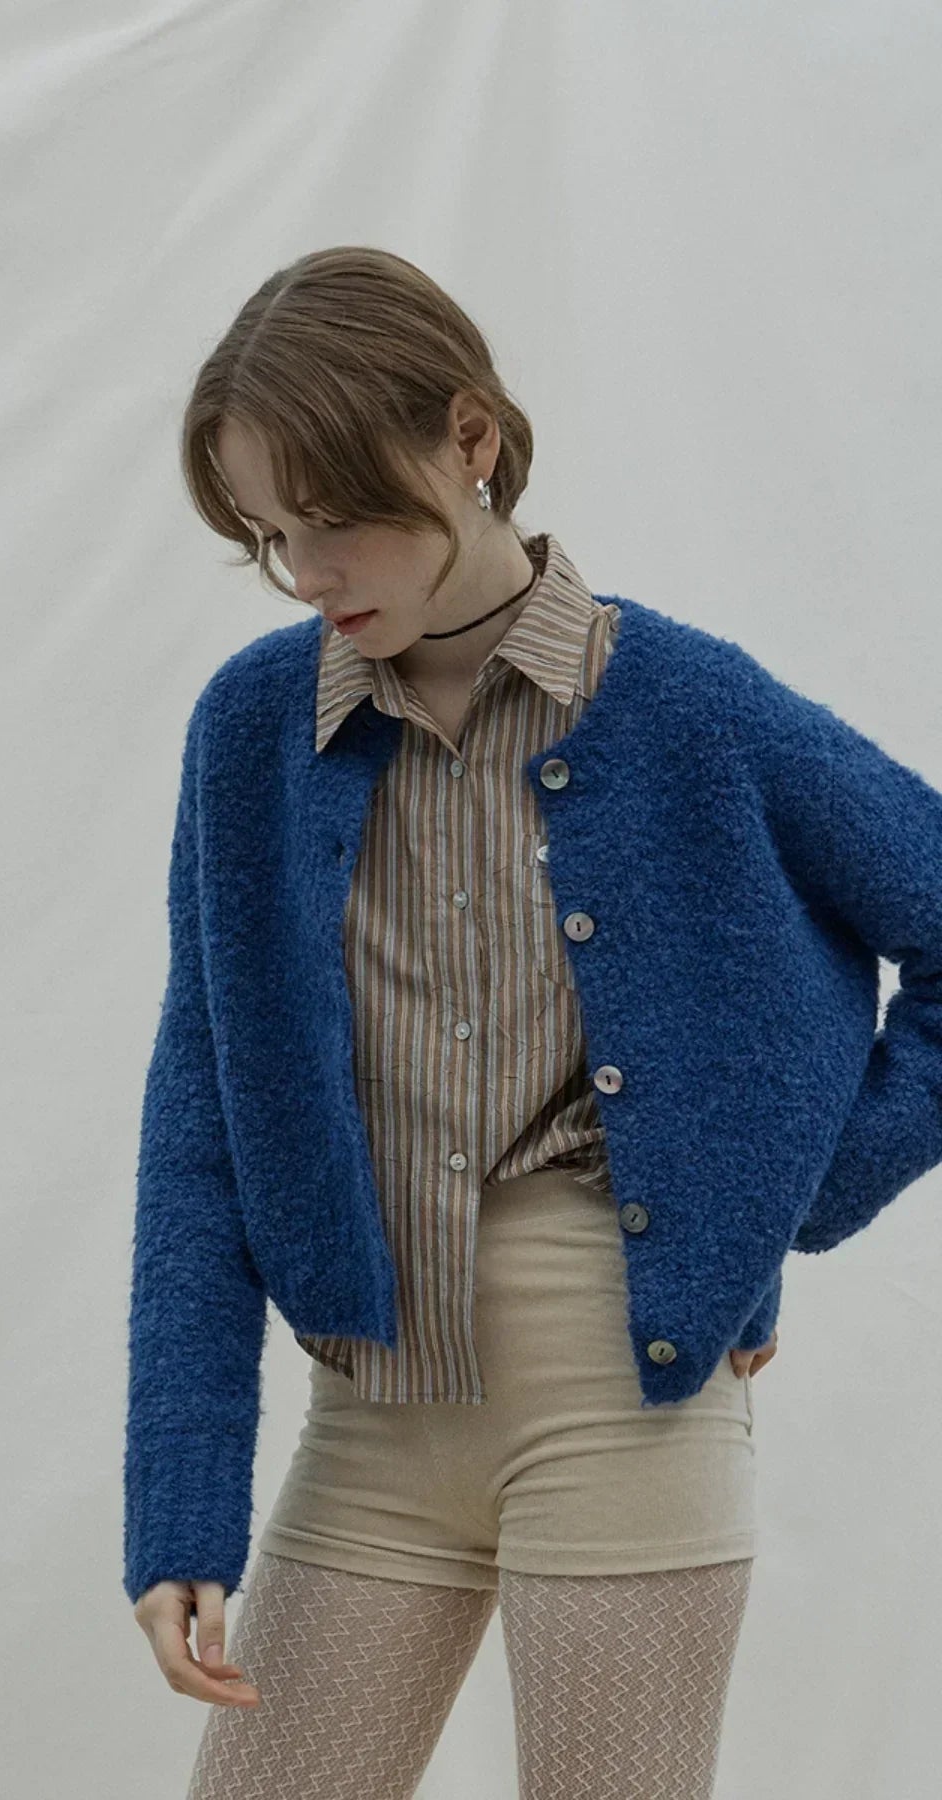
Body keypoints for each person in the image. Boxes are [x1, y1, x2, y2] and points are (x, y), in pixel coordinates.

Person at [124, 247, 942, 1798]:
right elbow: (198, 1122)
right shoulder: (252, 734)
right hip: (372, 1415)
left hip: (622, 1401)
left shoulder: (692, 707)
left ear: (471, 439)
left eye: (338, 513)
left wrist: (797, 1184)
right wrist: (179, 1504)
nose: (310, 573)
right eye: (269, 535)